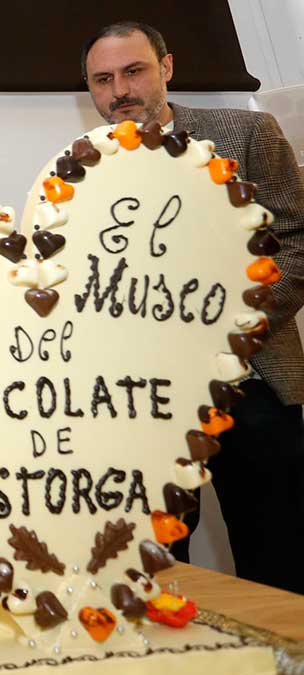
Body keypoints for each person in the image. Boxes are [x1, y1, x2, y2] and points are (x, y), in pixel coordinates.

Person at [83, 21, 304, 594]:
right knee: (154, 560)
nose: (119, 90)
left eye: (134, 71)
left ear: (167, 67)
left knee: (276, 550)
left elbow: (298, 237)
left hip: (253, 378)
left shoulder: (247, 133)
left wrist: (233, 327)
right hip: (144, 399)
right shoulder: (80, 169)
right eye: (103, 80)